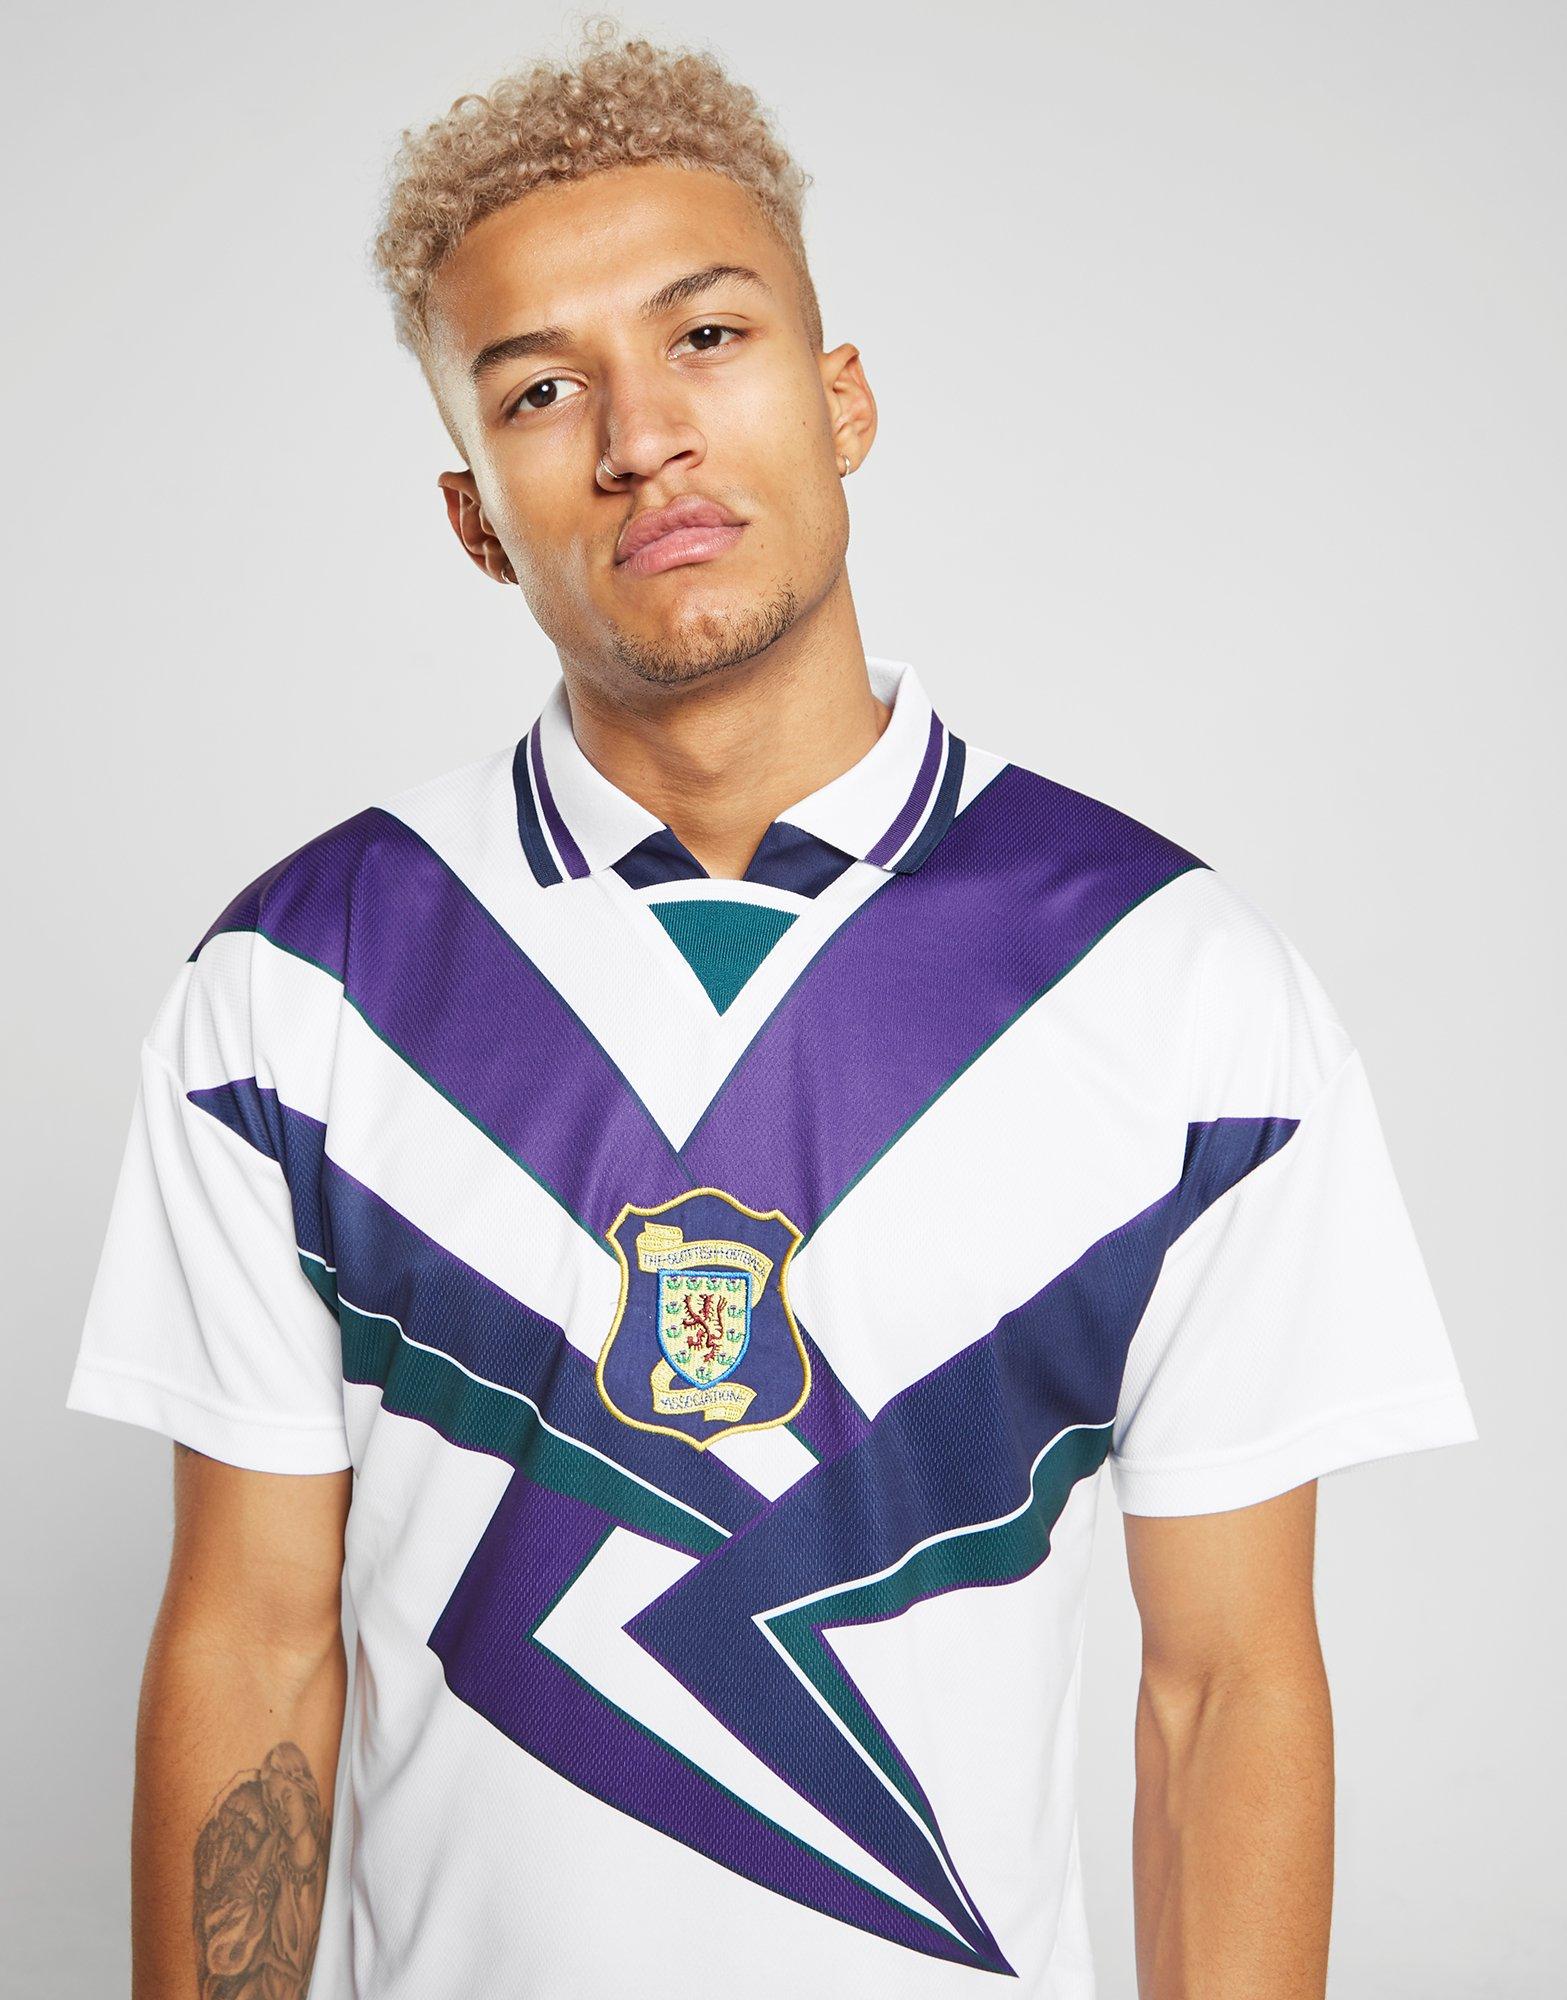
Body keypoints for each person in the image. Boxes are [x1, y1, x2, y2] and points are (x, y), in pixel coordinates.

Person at [68, 15, 1480, 1998]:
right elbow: (252, 1643)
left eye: (707, 337)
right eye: (541, 388)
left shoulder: (1173, 985)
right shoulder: (297, 991)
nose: (641, 434)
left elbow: (1225, 1685)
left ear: (841, 397)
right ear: (473, 515)